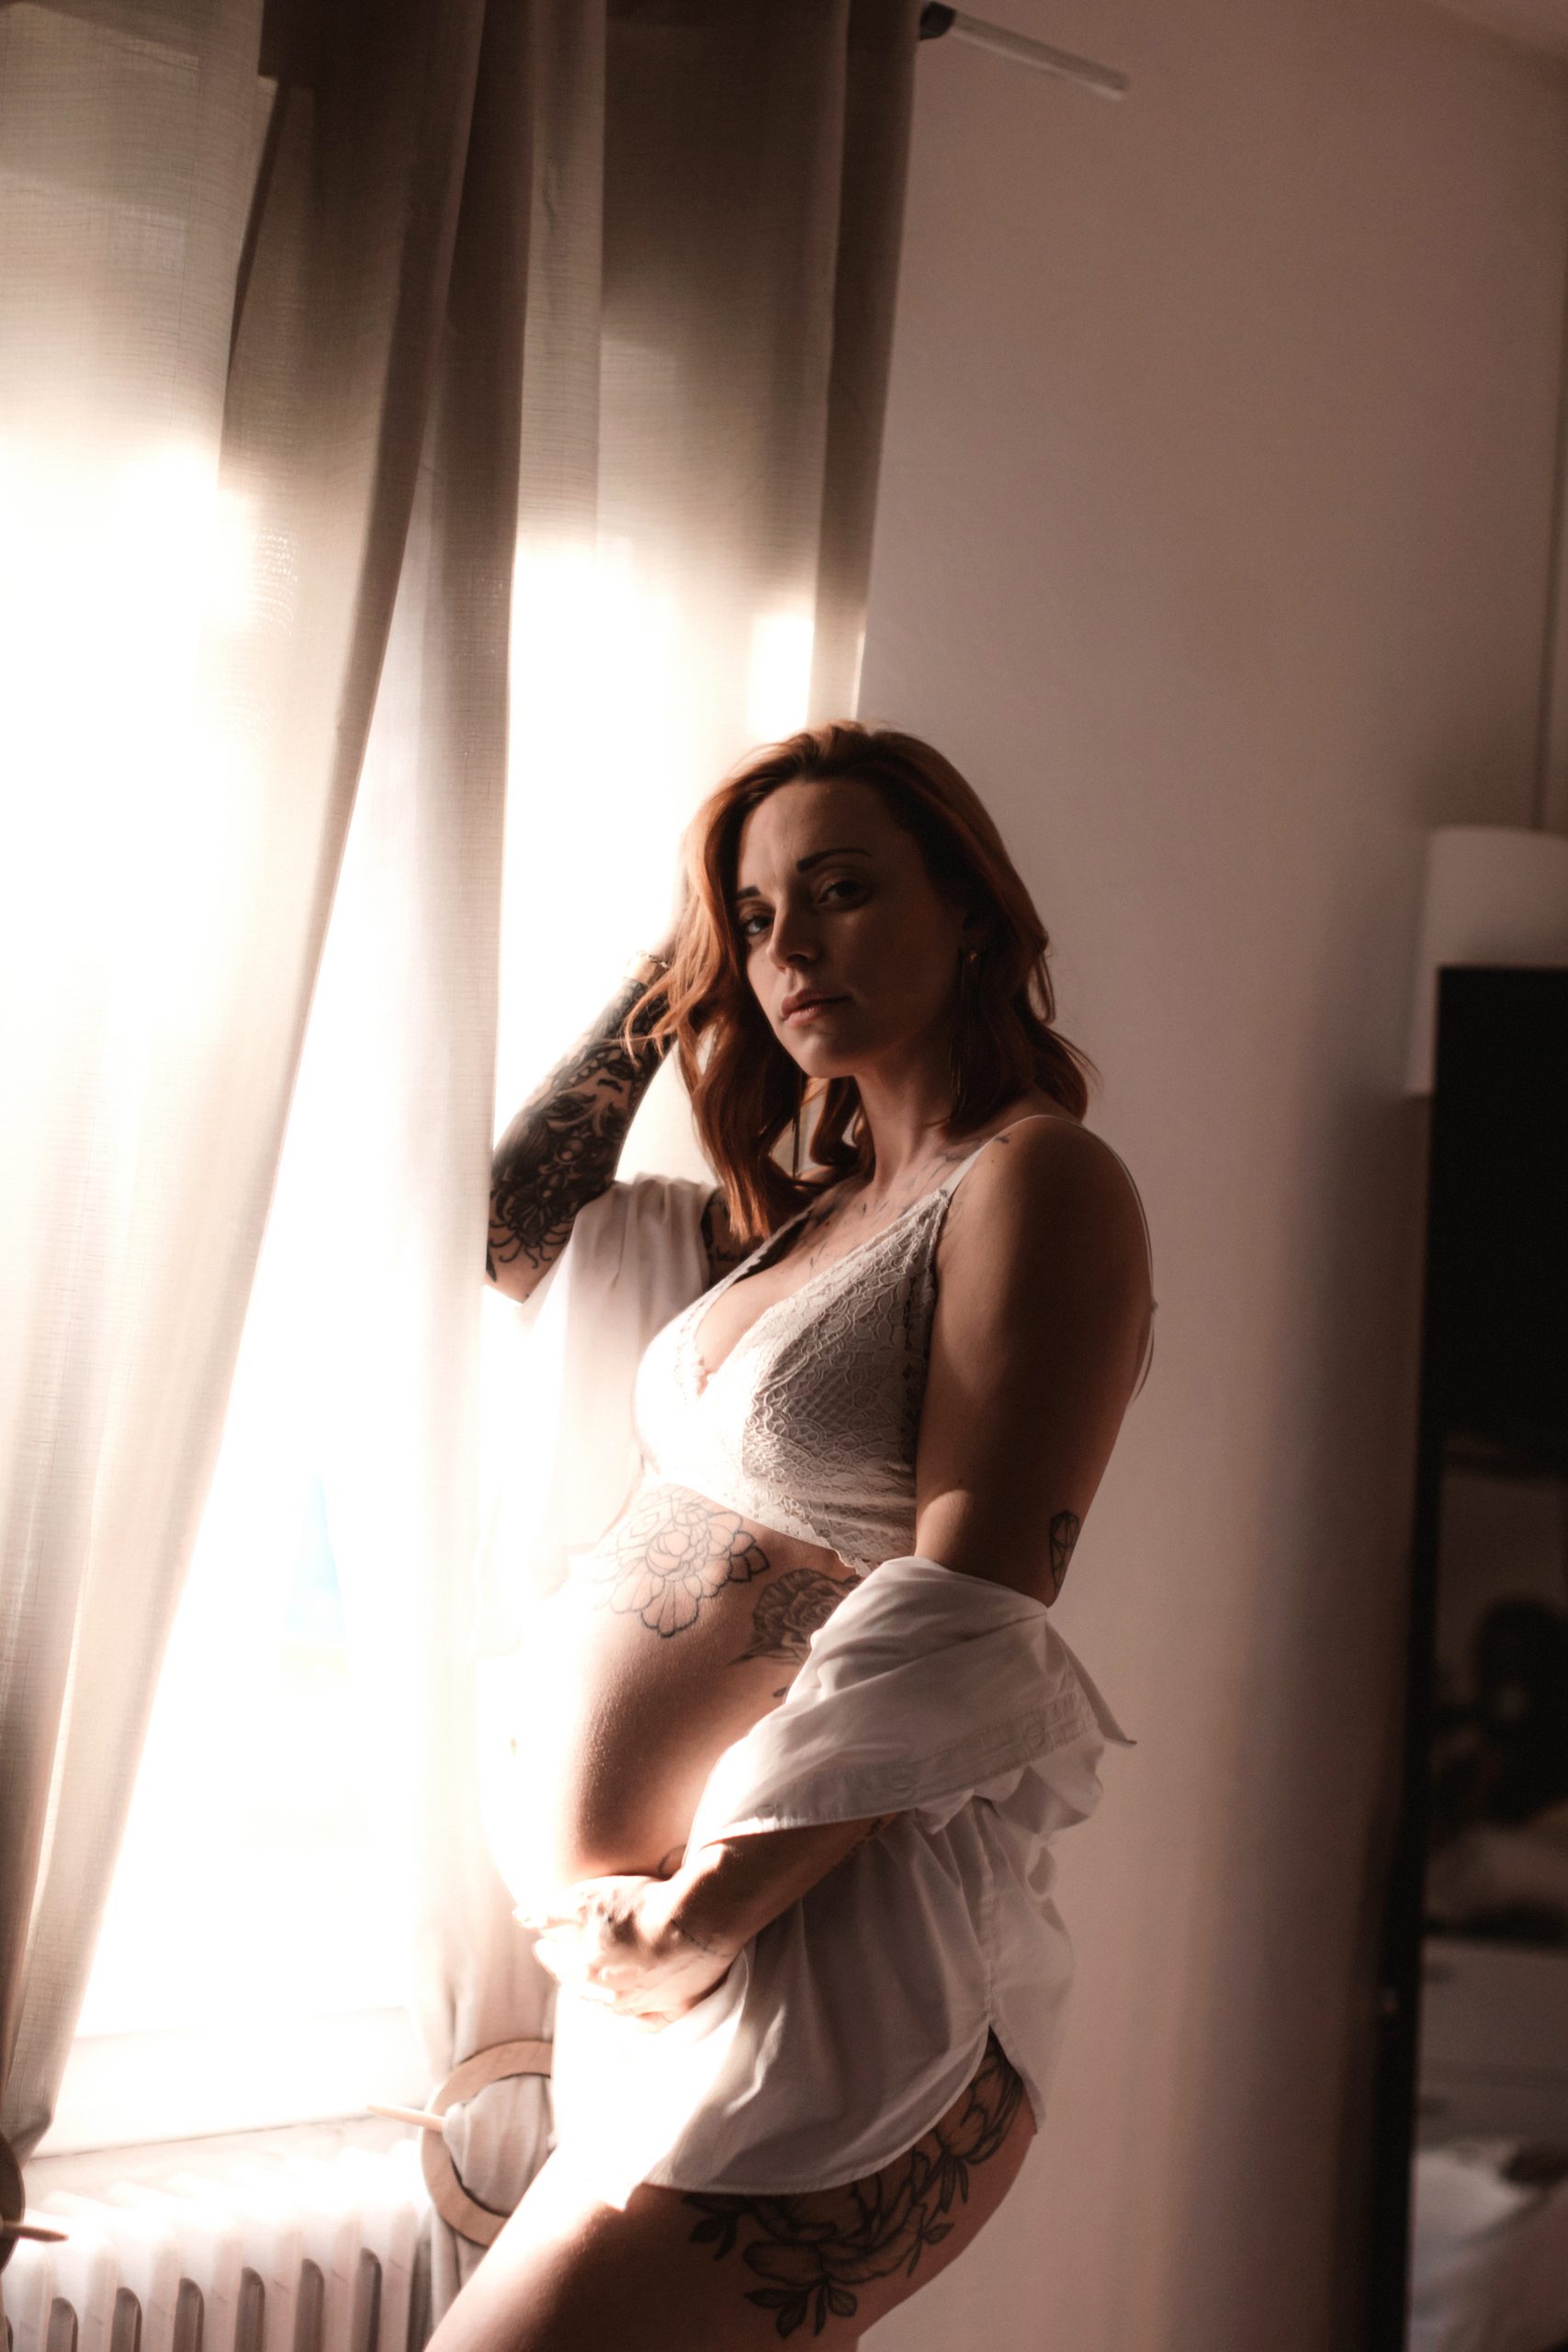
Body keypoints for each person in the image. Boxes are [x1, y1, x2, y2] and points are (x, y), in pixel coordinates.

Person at [437, 720, 1156, 2350]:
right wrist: (685, 958)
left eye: (841, 891)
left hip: (826, 1970)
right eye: (758, 919)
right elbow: (511, 1228)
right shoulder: (793, 1226)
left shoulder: (1038, 1180)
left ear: (969, 909)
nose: (791, 950)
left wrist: (700, 1914)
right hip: (673, 1990)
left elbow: (967, 1606)